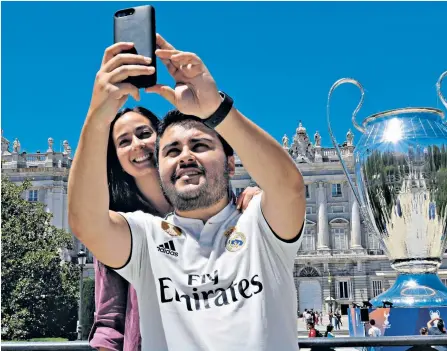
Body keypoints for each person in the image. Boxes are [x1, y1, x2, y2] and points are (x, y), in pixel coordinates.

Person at [68, 34, 306, 350]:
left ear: (231, 164)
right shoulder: (146, 238)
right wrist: (99, 114)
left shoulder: (260, 225)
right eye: (171, 151)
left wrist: (215, 110)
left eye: (200, 145)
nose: (185, 156)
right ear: (161, 172)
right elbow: (86, 221)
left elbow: (288, 187)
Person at [87, 106, 262, 351]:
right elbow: (109, 320)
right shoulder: (117, 226)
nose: (137, 145)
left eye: (144, 133)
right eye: (124, 141)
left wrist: (258, 201)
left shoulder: (212, 201)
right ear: (116, 157)